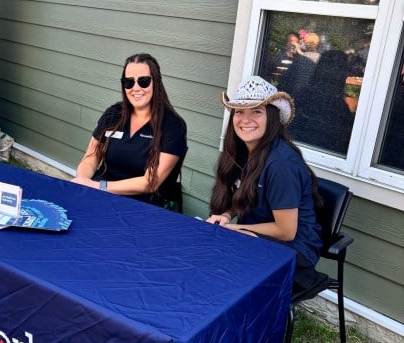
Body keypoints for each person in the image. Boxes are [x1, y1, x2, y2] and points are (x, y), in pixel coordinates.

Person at [206, 76, 324, 293]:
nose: (245, 119)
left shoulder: (281, 164)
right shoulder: (244, 152)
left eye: (256, 111)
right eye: (239, 111)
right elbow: (242, 194)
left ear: (272, 117)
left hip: (293, 253)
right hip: (255, 240)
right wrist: (225, 216)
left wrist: (235, 229)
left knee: (220, 270)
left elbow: (286, 231)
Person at [71, 53, 188, 210]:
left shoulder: (173, 126)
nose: (136, 88)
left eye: (144, 81)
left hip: (142, 205)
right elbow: (91, 157)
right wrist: (83, 181)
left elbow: (150, 182)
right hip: (99, 194)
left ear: (156, 83)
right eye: (129, 82)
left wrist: (99, 186)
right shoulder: (114, 113)